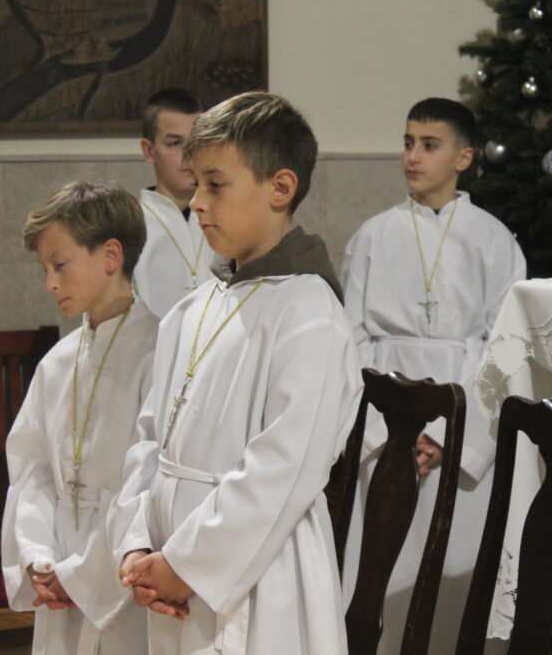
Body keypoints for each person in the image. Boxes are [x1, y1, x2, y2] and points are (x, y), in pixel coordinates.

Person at [108, 92, 362, 655]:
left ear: (281, 187)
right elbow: (148, 438)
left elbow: (284, 468)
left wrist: (186, 565)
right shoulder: (193, 308)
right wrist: (135, 543)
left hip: (260, 578)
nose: (197, 202)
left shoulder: (309, 313)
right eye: (196, 183)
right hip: (168, 561)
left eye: (216, 185)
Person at [341, 97, 526, 653]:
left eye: (429, 145)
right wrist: (387, 432)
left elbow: (503, 347)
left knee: (451, 570)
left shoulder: (495, 239)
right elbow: (351, 336)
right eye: (407, 143)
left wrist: (448, 435)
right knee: (378, 567)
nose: (412, 157)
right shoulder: (372, 236)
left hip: (459, 416)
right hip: (383, 424)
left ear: (463, 158)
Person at [1, 181, 157, 654]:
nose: (49, 283)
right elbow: (32, 471)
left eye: (60, 265)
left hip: (121, 573)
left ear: (111, 256)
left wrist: (83, 575)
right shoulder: (58, 362)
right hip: (59, 564)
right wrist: (38, 556)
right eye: (44, 269)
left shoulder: (158, 350)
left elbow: (150, 482)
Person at [133, 88, 215, 318]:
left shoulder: (224, 217)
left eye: (196, 142)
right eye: (175, 143)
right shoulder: (130, 224)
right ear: (149, 151)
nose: (189, 155)